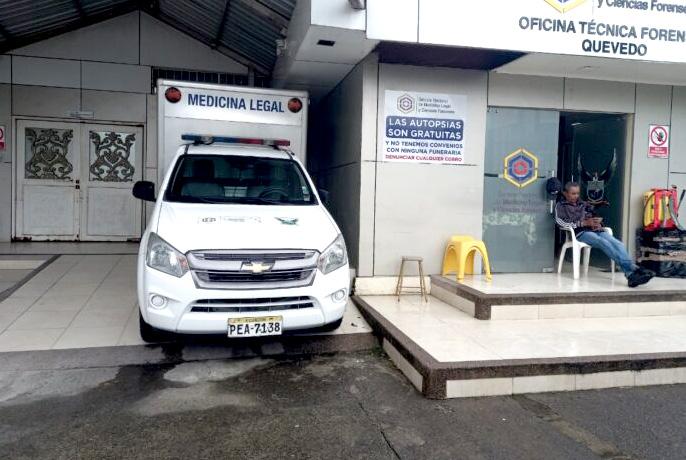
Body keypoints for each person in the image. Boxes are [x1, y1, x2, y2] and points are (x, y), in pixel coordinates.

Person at [555, 181, 654, 287]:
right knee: (603, 242)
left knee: (617, 243)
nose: (576, 196)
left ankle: (630, 275)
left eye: (577, 193)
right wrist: (582, 223)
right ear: (565, 193)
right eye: (573, 193)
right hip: (580, 233)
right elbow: (560, 222)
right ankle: (635, 268)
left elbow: (593, 215)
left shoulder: (584, 204)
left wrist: (598, 223)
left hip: (596, 230)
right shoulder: (561, 206)